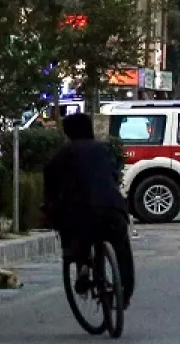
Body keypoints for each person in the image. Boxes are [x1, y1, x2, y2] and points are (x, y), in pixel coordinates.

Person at [44, 113, 135, 308]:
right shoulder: (104, 150)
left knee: (75, 236)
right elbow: (114, 175)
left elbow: (51, 187)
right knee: (122, 251)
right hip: (113, 208)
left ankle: (81, 264)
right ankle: (123, 294)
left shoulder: (62, 155)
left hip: (80, 214)